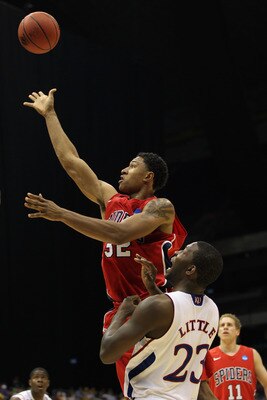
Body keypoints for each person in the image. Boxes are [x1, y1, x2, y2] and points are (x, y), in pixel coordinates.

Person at [23, 89, 187, 390]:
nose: (124, 169)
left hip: (156, 305)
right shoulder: (110, 200)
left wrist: (62, 214)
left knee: (168, 389)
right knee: (133, 390)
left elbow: (119, 233)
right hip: (122, 309)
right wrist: (50, 115)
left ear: (148, 176)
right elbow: (72, 161)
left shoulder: (161, 208)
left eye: (133, 165)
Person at [99, 241, 224, 400]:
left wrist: (120, 314)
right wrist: (152, 288)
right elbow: (176, 319)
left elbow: (107, 354)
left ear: (191, 269)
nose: (176, 253)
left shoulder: (158, 306)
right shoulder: (212, 309)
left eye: (184, 252)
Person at [206, 313, 267, 399]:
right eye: (222, 325)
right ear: (218, 332)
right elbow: (201, 388)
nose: (225, 327)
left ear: (237, 331)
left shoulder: (252, 354)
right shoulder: (209, 356)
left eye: (229, 325)